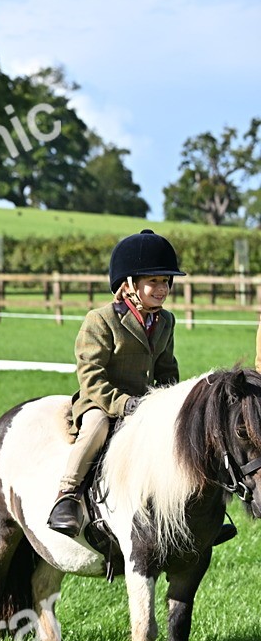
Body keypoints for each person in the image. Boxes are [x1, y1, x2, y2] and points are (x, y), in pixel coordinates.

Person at [48, 229, 233, 545]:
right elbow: (91, 378)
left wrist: (175, 405)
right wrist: (124, 405)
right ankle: (66, 495)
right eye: (154, 282)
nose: (162, 289)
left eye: (166, 282)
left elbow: (166, 371)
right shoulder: (100, 320)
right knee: (95, 429)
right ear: (129, 284)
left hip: (146, 404)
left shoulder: (165, 322)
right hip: (102, 402)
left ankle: (198, 513)